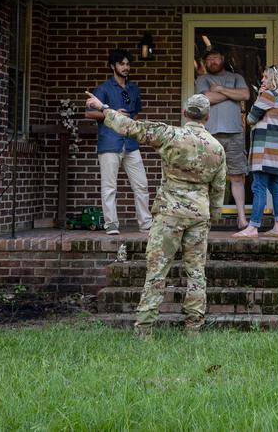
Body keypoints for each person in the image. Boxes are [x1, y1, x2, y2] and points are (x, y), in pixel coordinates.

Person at [85, 92, 226, 338]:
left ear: (185, 114)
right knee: (196, 272)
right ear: (207, 117)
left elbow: (130, 127)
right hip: (199, 215)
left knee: (157, 271)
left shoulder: (170, 135)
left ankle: (145, 329)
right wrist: (213, 215)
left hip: (169, 213)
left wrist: (103, 108)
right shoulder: (217, 148)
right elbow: (219, 189)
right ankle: (193, 328)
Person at [86, 49, 152, 235]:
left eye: (128, 64)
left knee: (141, 184)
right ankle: (111, 224)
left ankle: (146, 223)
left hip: (130, 143)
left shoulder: (133, 88)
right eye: (121, 64)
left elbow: (135, 112)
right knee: (109, 186)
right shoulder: (103, 89)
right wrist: (112, 114)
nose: (125, 67)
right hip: (109, 142)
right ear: (112, 66)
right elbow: (89, 112)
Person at [194, 47, 251, 228]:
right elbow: (207, 98)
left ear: (223, 58)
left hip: (235, 134)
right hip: (210, 135)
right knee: (207, 177)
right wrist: (229, 94)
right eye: (209, 59)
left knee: (237, 176)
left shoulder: (236, 78)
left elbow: (245, 95)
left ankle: (242, 218)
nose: (212, 62)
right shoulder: (202, 79)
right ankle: (206, 219)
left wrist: (220, 89)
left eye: (215, 57)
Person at [234, 65, 278, 237]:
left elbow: (251, 118)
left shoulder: (268, 95)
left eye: (266, 77)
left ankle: (253, 227)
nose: (262, 80)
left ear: (274, 79)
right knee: (276, 187)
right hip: (277, 152)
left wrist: (259, 95)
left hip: (264, 150)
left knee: (258, 186)